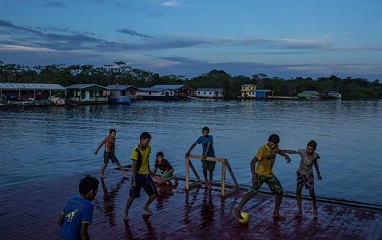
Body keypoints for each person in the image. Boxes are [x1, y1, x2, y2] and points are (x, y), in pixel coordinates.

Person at [232, 134, 291, 221]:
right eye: (271, 144)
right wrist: (254, 176)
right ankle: (237, 210)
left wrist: (285, 155)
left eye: (275, 145)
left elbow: (278, 151)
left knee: (279, 191)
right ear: (268, 141)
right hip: (260, 173)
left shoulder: (275, 147)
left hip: (269, 174)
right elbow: (252, 162)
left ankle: (276, 212)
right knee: (253, 191)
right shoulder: (262, 149)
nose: (273, 146)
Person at [123, 132, 158, 220]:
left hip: (146, 175)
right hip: (137, 176)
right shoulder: (135, 151)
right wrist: (134, 181)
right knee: (132, 196)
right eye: (147, 141)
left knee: (154, 194)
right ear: (142, 140)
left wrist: (149, 171)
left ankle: (146, 206)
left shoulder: (148, 148)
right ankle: (125, 212)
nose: (148, 143)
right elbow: (134, 167)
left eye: (149, 142)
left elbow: (147, 160)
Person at [283, 140, 322, 218]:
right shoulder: (302, 152)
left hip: (309, 176)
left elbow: (315, 164)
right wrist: (282, 151)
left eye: (310, 149)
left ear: (314, 150)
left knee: (311, 193)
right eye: (307, 148)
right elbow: (292, 152)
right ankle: (299, 210)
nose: (308, 150)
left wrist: (318, 174)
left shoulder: (315, 156)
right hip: (300, 174)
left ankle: (315, 208)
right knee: (298, 190)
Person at [57, 175, 99, 240]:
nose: (96, 194)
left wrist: (69, 231)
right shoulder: (88, 206)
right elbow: (83, 232)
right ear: (91, 192)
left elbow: (59, 221)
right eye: (96, 191)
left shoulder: (71, 200)